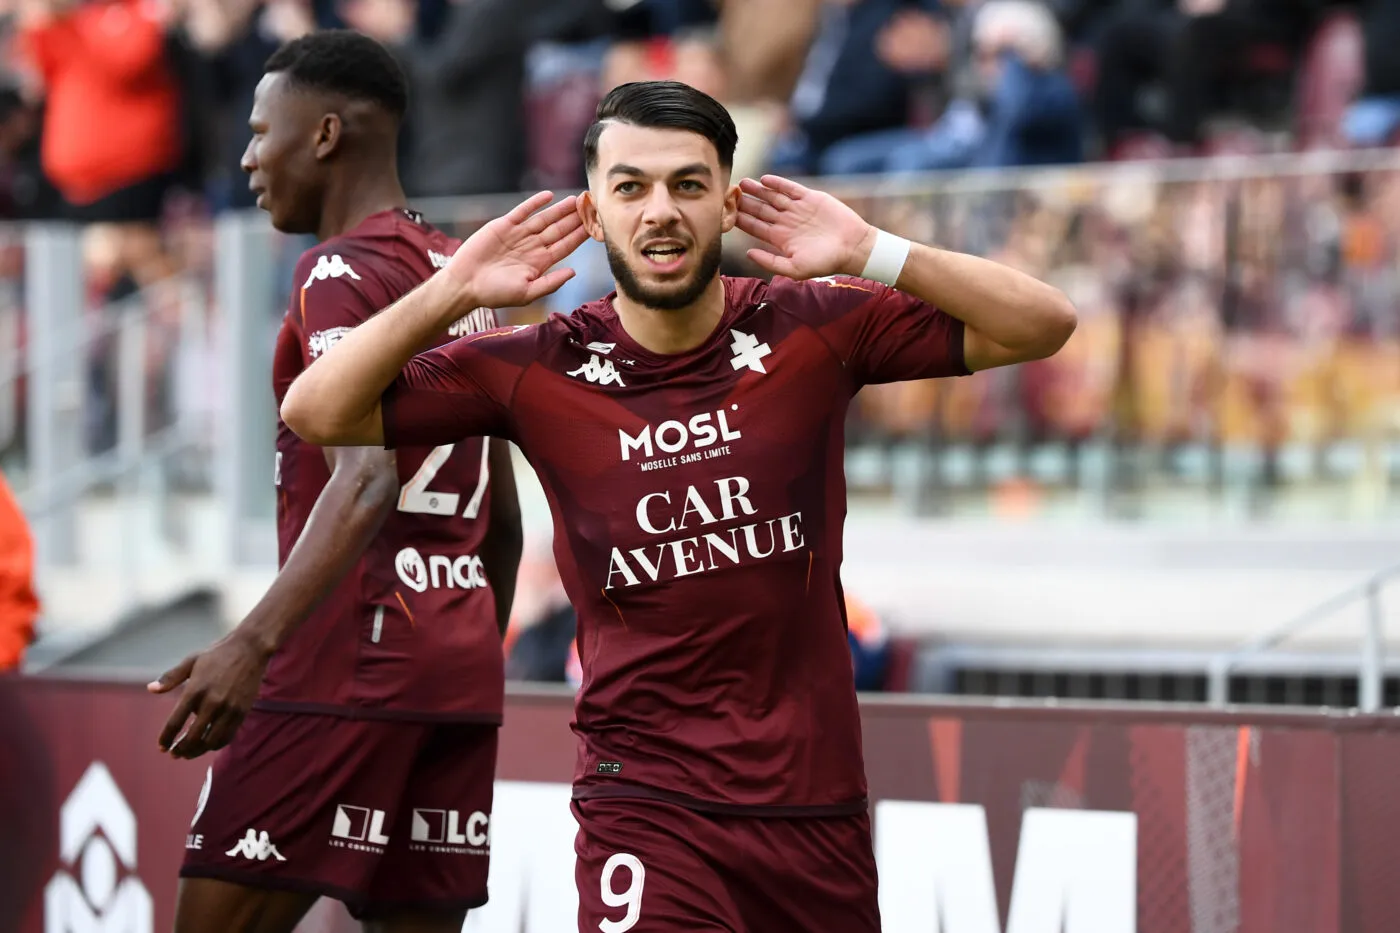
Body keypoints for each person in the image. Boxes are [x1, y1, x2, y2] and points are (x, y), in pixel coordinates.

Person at [280, 79, 1075, 931]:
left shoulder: (813, 327)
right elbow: (316, 410)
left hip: (815, 813)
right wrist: (455, 291)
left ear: (727, 203)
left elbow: (1044, 322)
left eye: (687, 185)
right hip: (645, 811)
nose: (660, 210)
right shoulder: (537, 365)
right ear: (594, 214)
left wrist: (868, 249)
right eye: (631, 187)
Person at [146, 30, 523, 933]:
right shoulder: (459, 276)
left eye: (258, 132)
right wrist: (460, 645)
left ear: (322, 135)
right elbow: (504, 520)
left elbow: (364, 478)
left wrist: (251, 642)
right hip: (458, 671)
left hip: (344, 664)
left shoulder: (337, 270)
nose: (246, 159)